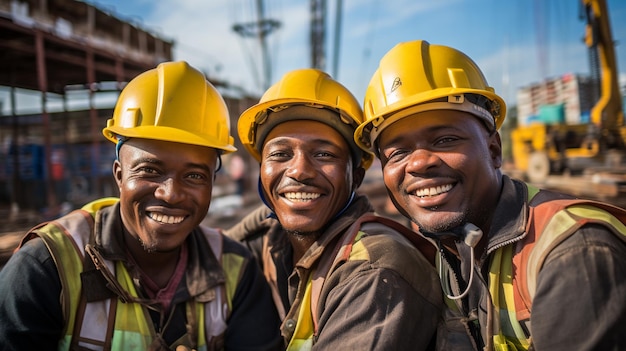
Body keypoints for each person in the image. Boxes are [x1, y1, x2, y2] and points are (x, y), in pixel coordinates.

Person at [354, 39, 626, 351]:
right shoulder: (453, 247)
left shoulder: (575, 256)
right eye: (398, 152)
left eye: (445, 139)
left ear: (494, 150)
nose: (418, 163)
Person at [0, 61, 282, 351]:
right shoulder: (46, 268)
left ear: (212, 182)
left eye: (194, 175)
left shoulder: (237, 270)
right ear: (119, 175)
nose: (171, 194)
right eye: (149, 170)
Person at [227, 68, 443, 350]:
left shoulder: (376, 271)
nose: (300, 171)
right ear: (261, 172)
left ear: (357, 176)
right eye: (280, 154)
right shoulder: (272, 239)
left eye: (324, 154)